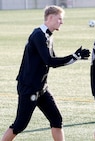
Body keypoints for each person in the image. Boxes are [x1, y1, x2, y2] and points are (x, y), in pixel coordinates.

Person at [1, 5, 90, 141]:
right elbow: (50, 61)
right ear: (50, 18)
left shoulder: (48, 36)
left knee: (56, 119)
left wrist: (75, 57)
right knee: (20, 124)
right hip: (29, 88)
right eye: (59, 19)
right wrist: (75, 56)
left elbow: (53, 62)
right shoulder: (38, 35)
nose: (62, 22)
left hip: (41, 88)